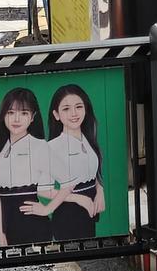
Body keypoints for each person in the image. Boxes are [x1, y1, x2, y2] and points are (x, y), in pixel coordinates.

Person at [0, 88, 53, 248]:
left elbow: (54, 189)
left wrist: (48, 208)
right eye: (11, 112)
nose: (16, 118)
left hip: (36, 228)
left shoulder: (40, 146)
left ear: (33, 117)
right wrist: (0, 233)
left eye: (24, 113)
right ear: (3, 114)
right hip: (9, 230)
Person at [33, 84, 105, 242]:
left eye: (78, 106)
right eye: (66, 109)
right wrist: (79, 199)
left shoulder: (89, 138)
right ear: (56, 115)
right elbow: (43, 190)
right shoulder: (52, 147)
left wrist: (100, 191)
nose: (74, 113)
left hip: (90, 211)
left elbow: (93, 170)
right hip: (68, 215)